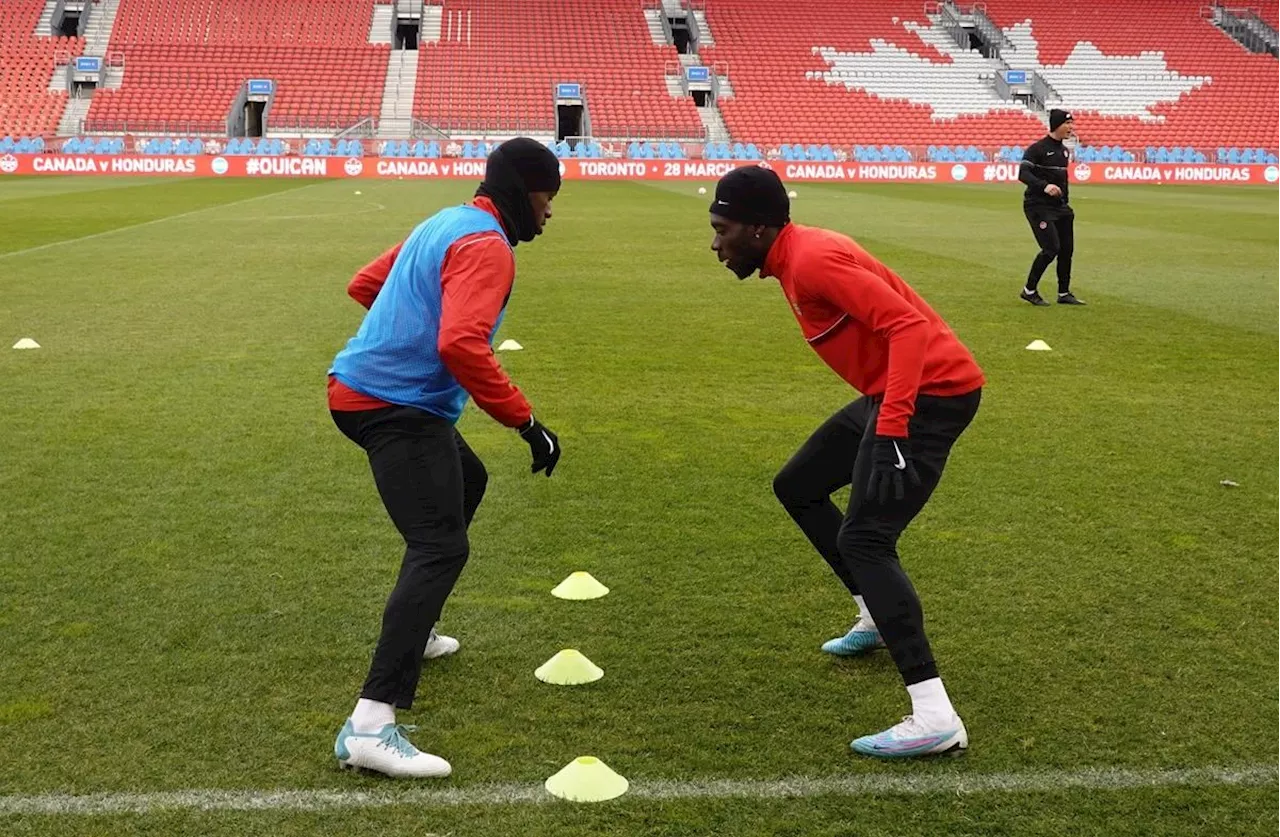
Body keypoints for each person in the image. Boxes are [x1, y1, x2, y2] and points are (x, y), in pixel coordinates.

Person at [707, 167, 985, 759]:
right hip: (894, 394)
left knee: (867, 539)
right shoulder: (793, 254)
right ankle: (873, 616)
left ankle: (935, 715)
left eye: (721, 229)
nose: (715, 244)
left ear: (758, 229)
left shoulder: (811, 261)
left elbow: (907, 325)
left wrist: (891, 427)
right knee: (799, 485)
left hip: (929, 397)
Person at [328, 138, 563, 778]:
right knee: (440, 547)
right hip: (392, 406)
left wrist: (405, 333)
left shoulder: (447, 219)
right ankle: (371, 725)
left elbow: (365, 284)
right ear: (523, 191)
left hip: (366, 393)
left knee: (469, 478)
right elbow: (461, 342)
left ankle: (418, 631)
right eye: (548, 196)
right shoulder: (486, 244)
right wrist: (526, 421)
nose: (550, 211)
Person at [1019, 109, 1085, 306]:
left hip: (1060, 207)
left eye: (1072, 124)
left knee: (1067, 250)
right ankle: (1029, 290)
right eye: (1067, 124)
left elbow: (1062, 180)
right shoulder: (1037, 149)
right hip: (1038, 205)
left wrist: (1064, 200)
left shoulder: (1064, 150)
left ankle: (1063, 293)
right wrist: (1045, 186)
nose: (1071, 128)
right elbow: (1023, 174)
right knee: (1051, 249)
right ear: (1056, 125)